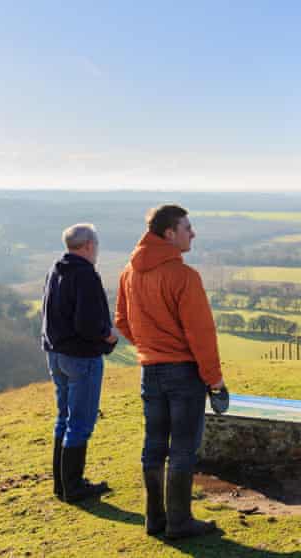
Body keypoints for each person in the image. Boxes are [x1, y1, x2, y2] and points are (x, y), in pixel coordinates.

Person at [115, 204, 224, 539]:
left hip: (150, 370)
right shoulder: (184, 276)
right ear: (168, 233)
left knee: (154, 445)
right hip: (183, 373)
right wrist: (214, 378)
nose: (193, 233)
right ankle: (179, 522)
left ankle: (155, 519)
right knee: (182, 448)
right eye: (187, 227)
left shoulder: (128, 274)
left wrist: (149, 346)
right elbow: (200, 333)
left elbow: (122, 321)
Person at [42, 223, 117, 502]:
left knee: (64, 418)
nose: (96, 250)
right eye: (95, 245)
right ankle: (74, 488)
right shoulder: (85, 274)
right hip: (81, 357)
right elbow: (88, 323)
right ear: (88, 246)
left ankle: (62, 485)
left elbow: (48, 312)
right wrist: (107, 336)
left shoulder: (55, 269)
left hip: (55, 353)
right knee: (81, 422)